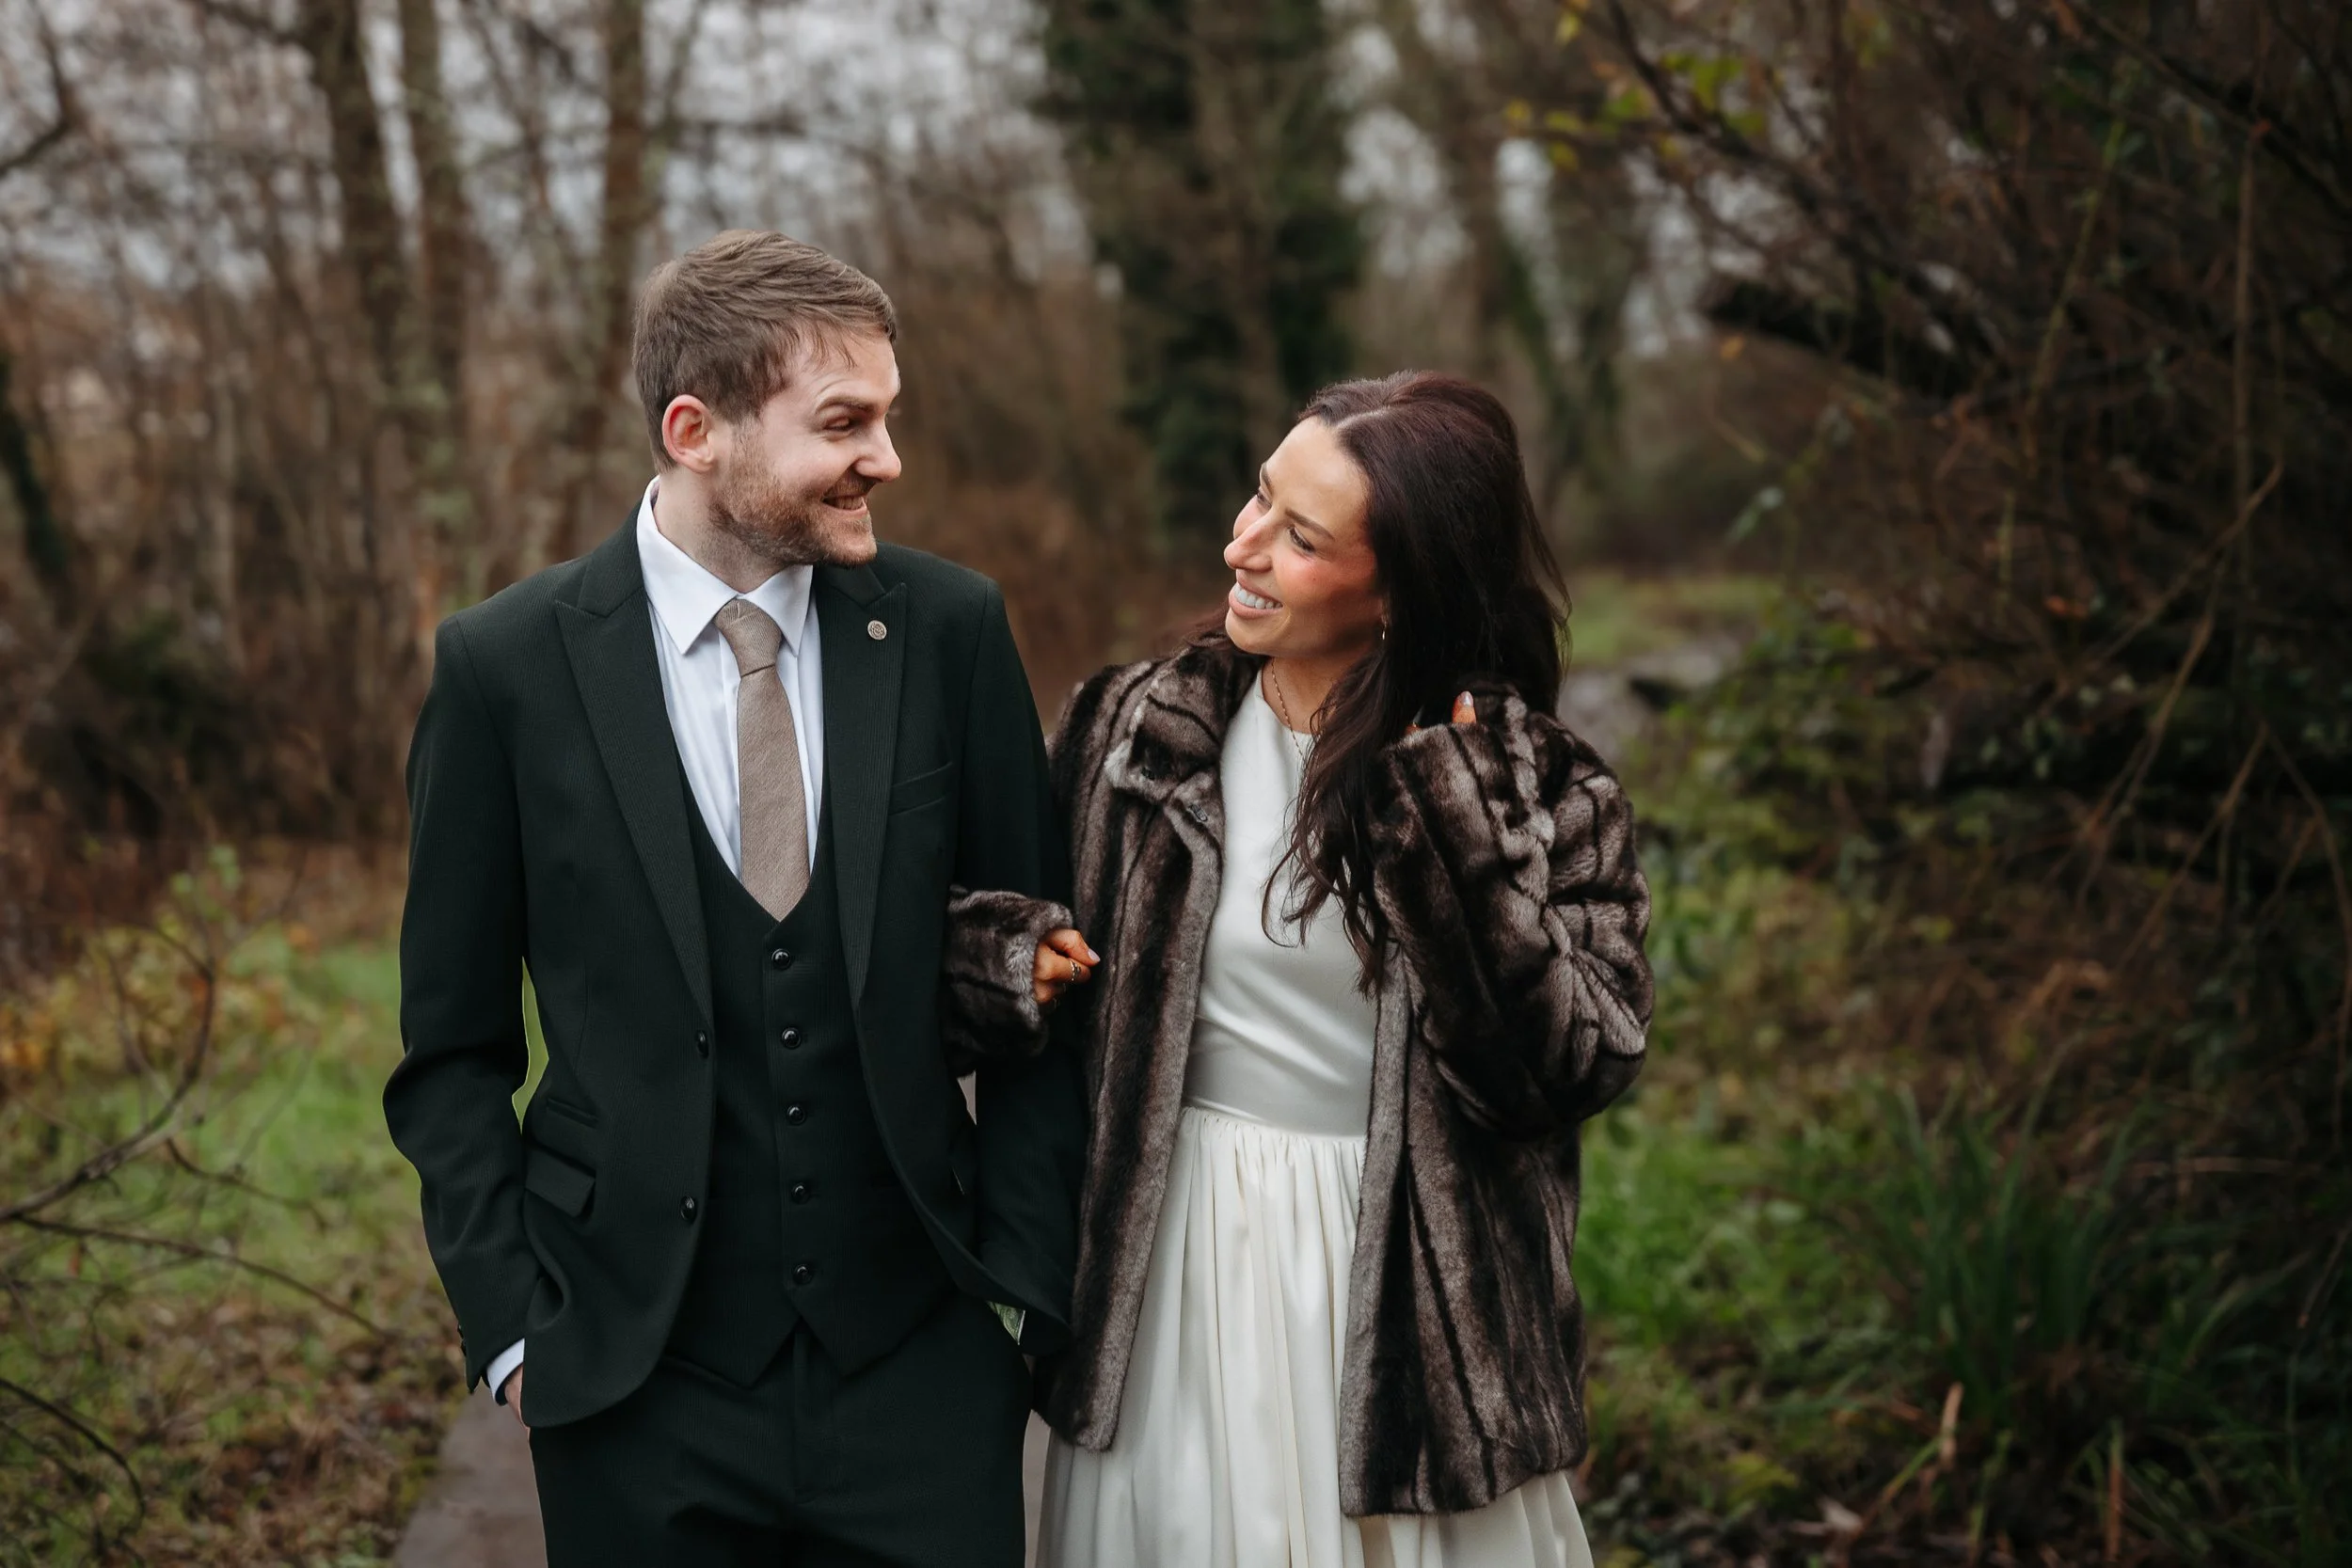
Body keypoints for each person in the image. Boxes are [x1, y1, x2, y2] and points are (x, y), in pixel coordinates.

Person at [385, 229, 1089, 1567]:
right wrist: (518, 1332)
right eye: (845, 422)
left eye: (887, 417)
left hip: (923, 1371)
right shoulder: (505, 667)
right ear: (696, 429)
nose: (886, 458)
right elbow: (450, 1056)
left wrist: (1023, 1293)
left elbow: (1044, 978)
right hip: (632, 1382)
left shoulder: (948, 629)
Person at [948, 371, 1653, 1567]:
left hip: (1411, 1313)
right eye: (1259, 497)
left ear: (1398, 590)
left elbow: (1568, 1066)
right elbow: (968, 930)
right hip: (1164, 1274)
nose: (1246, 543)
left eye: (1301, 535)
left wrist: (1456, 835)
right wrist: (1006, 959)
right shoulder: (1134, 736)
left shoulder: (1537, 784)